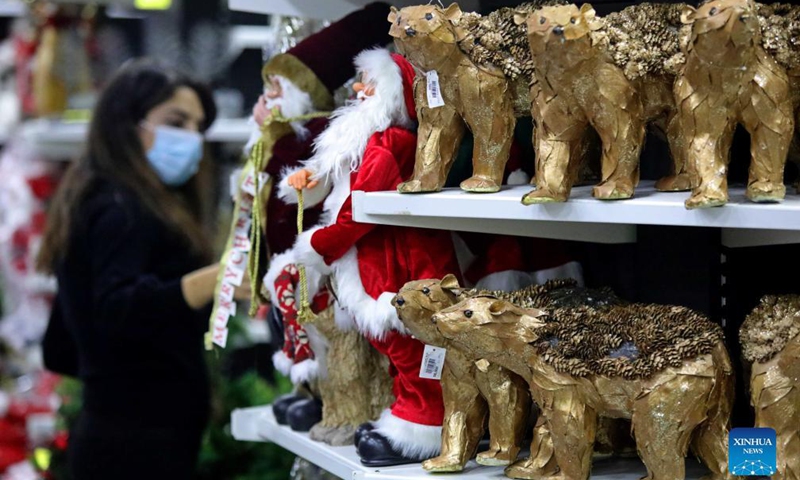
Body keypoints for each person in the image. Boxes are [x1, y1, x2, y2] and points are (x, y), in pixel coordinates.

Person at [36, 59, 250, 480]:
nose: (191, 137)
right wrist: (214, 279)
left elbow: (65, 340)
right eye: (176, 121)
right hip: (134, 445)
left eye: (197, 126)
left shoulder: (102, 200)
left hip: (126, 433)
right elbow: (117, 309)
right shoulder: (122, 210)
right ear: (125, 124)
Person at [280, 48, 461, 467]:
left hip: (396, 264)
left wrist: (321, 246)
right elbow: (341, 188)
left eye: (370, 82)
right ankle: (404, 415)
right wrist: (311, 183)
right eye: (359, 80)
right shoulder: (367, 142)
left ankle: (423, 427)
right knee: (395, 349)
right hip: (372, 263)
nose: (359, 89)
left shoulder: (389, 144)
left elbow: (356, 210)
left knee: (410, 348)